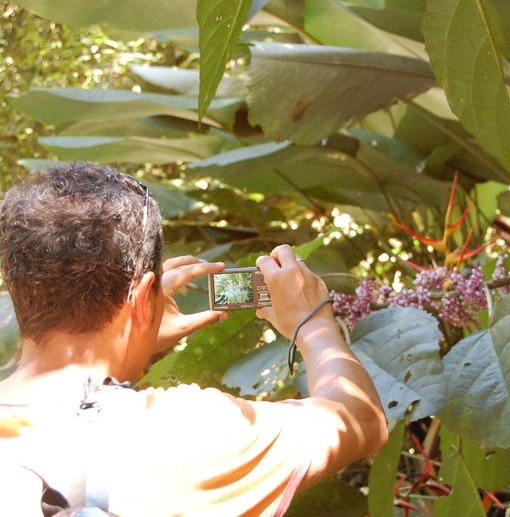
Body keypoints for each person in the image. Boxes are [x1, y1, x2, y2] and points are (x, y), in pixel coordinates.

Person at [0, 162, 388, 516]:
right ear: (142, 297)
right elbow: (361, 420)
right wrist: (313, 322)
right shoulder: (182, 431)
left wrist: (134, 337)